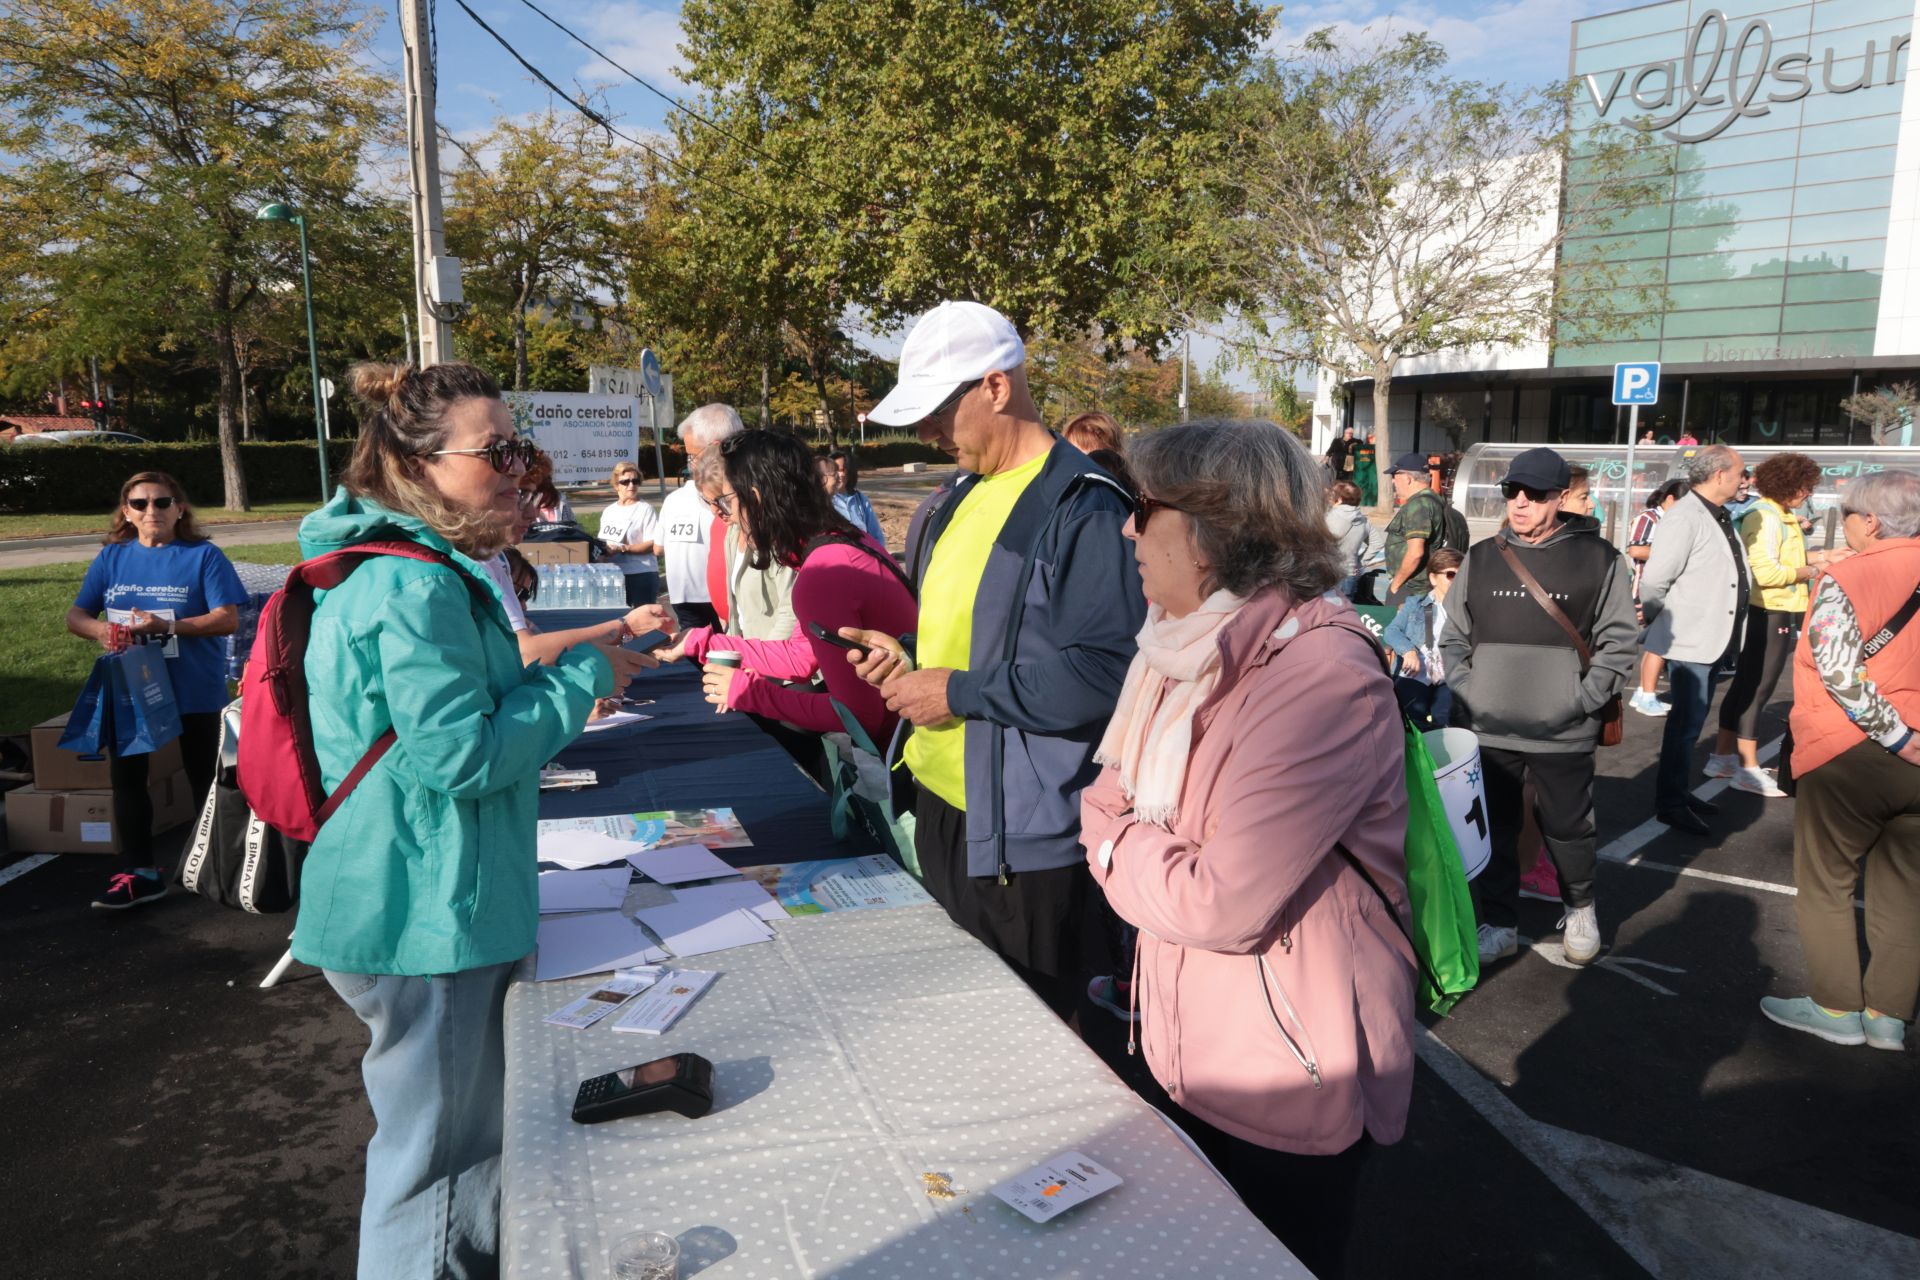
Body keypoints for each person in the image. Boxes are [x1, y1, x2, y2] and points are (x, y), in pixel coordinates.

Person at [293, 360, 647, 1278]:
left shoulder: (418, 571)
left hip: (429, 897)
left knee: (461, 1152)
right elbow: (460, 757)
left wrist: (561, 678)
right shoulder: (412, 585)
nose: (521, 469)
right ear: (418, 466)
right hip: (424, 910)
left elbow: (446, 725)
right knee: (439, 1171)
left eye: (520, 445)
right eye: (499, 450)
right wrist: (581, 678)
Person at [1080, 419, 1414, 1278]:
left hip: (1285, 1068)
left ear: (1212, 527)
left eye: (1143, 506)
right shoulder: (1174, 645)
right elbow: (1112, 794)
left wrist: (1115, 847)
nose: (1126, 526)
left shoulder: (1318, 677)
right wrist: (1128, 833)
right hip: (1181, 1038)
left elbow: (1219, 901)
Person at [846, 300, 1144, 1019]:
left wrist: (958, 692)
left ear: (996, 387)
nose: (924, 431)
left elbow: (1109, 674)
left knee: (1034, 1049)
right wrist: (910, 659)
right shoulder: (956, 499)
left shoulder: (1086, 505)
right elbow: (982, 644)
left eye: (937, 411)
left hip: (1026, 846)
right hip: (946, 811)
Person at [1439, 447, 1637, 966]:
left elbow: (1620, 639)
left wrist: (1583, 699)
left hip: (1564, 729)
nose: (1520, 503)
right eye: (1512, 492)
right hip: (1489, 728)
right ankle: (1500, 923)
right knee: (1497, 829)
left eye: (1533, 494)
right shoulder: (1482, 557)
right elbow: (1453, 636)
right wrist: (1469, 690)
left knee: (1570, 827)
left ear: (1560, 497)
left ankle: (1581, 911)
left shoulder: (1600, 559)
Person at [1761, 469, 1920, 1052]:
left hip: (1854, 748)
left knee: (1826, 882)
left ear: (1870, 521)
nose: (1843, 526)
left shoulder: (1848, 575)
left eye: (1847, 515)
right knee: (1906, 889)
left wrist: (1895, 733)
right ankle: (1888, 1016)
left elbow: (1837, 669)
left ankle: (1835, 1006)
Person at [660, 432, 916, 743]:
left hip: (908, 754)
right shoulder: (843, 541)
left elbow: (860, 718)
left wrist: (747, 692)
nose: (726, 518)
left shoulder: (824, 573)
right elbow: (800, 656)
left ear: (755, 498)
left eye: (727, 503)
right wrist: (698, 642)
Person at [65, 471, 246, 909]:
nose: (152, 512)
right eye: (141, 504)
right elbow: (77, 615)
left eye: (162, 502)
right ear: (126, 512)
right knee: (127, 779)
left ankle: (220, 865)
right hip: (131, 689)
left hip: (194, 689)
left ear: (179, 508)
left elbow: (227, 618)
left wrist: (168, 626)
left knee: (206, 777)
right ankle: (141, 873)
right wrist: (101, 631)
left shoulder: (203, 556)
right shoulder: (112, 558)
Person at [1711, 452, 1845, 798]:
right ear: (1791, 485)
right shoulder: (1767, 516)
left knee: (1745, 685)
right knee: (1758, 688)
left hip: (1770, 610)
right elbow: (1768, 573)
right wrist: (1816, 569)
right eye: (1806, 487)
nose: (1808, 494)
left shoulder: (1776, 514)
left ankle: (1723, 758)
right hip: (1769, 610)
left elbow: (1782, 559)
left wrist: (1822, 556)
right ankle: (1747, 769)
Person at [1639, 444, 1751, 835]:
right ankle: (1670, 803)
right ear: (1719, 475)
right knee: (1684, 727)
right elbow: (1655, 580)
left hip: (1711, 639)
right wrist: (1660, 619)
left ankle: (1678, 792)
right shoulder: (1685, 516)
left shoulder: (1717, 514)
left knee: (1691, 725)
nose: (1744, 480)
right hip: (1689, 639)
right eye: (1740, 473)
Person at [662, 404, 744, 631]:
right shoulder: (683, 498)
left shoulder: (753, 503)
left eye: (693, 455)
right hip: (716, 614)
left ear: (716, 448)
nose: (691, 465)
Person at [1626, 479, 1691, 717]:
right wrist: (1674, 552)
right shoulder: (1649, 519)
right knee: (1658, 646)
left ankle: (1644, 692)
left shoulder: (1673, 520)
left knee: (1658, 645)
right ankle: (1648, 696)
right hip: (1648, 590)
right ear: (1670, 499)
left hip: (1666, 592)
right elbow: (1635, 549)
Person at [1384, 547, 1462, 727]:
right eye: (1451, 575)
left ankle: (1438, 754)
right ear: (1433, 578)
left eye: (1462, 575)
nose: (1457, 581)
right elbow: (1392, 631)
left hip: (1449, 676)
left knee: (1445, 722)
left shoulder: (1467, 608)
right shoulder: (1416, 604)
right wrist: (1409, 651)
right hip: (1416, 672)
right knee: (1409, 719)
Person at [1383, 451, 1444, 607]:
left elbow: (1416, 552)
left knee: (1399, 630)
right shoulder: (1431, 500)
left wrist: (1395, 585)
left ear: (1408, 479)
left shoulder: (1419, 505)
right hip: (1416, 588)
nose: (1392, 482)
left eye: (1394, 477)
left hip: (1410, 590)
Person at [598, 461, 661, 606]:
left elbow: (653, 544)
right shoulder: (608, 511)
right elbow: (603, 542)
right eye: (625, 482)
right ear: (616, 485)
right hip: (613, 574)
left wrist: (624, 548)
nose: (631, 485)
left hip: (641, 573)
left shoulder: (646, 509)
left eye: (635, 481)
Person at [828, 447, 885, 544]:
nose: (836, 475)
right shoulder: (824, 501)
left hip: (864, 553)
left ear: (849, 471)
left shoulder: (861, 500)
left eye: (840, 470)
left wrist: (880, 556)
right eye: (833, 471)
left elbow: (876, 535)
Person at [1327, 479, 1370, 598]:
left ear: (1339, 499)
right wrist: (1359, 563)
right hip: (1350, 574)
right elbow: (1377, 543)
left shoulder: (1331, 517)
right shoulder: (1363, 519)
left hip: (1331, 574)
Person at [1352, 431, 1379, 506]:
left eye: (1372, 437)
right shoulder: (1361, 447)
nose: (1371, 439)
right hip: (1361, 474)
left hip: (1373, 474)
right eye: (1370, 437)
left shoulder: (1378, 448)